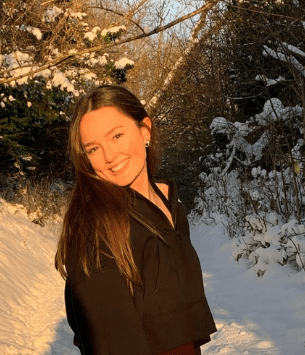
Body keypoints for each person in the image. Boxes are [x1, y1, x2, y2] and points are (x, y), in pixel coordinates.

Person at [55, 85, 217, 355]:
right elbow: (109, 343)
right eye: (93, 149)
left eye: (116, 135)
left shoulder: (169, 201)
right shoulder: (96, 229)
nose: (109, 157)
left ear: (144, 130)